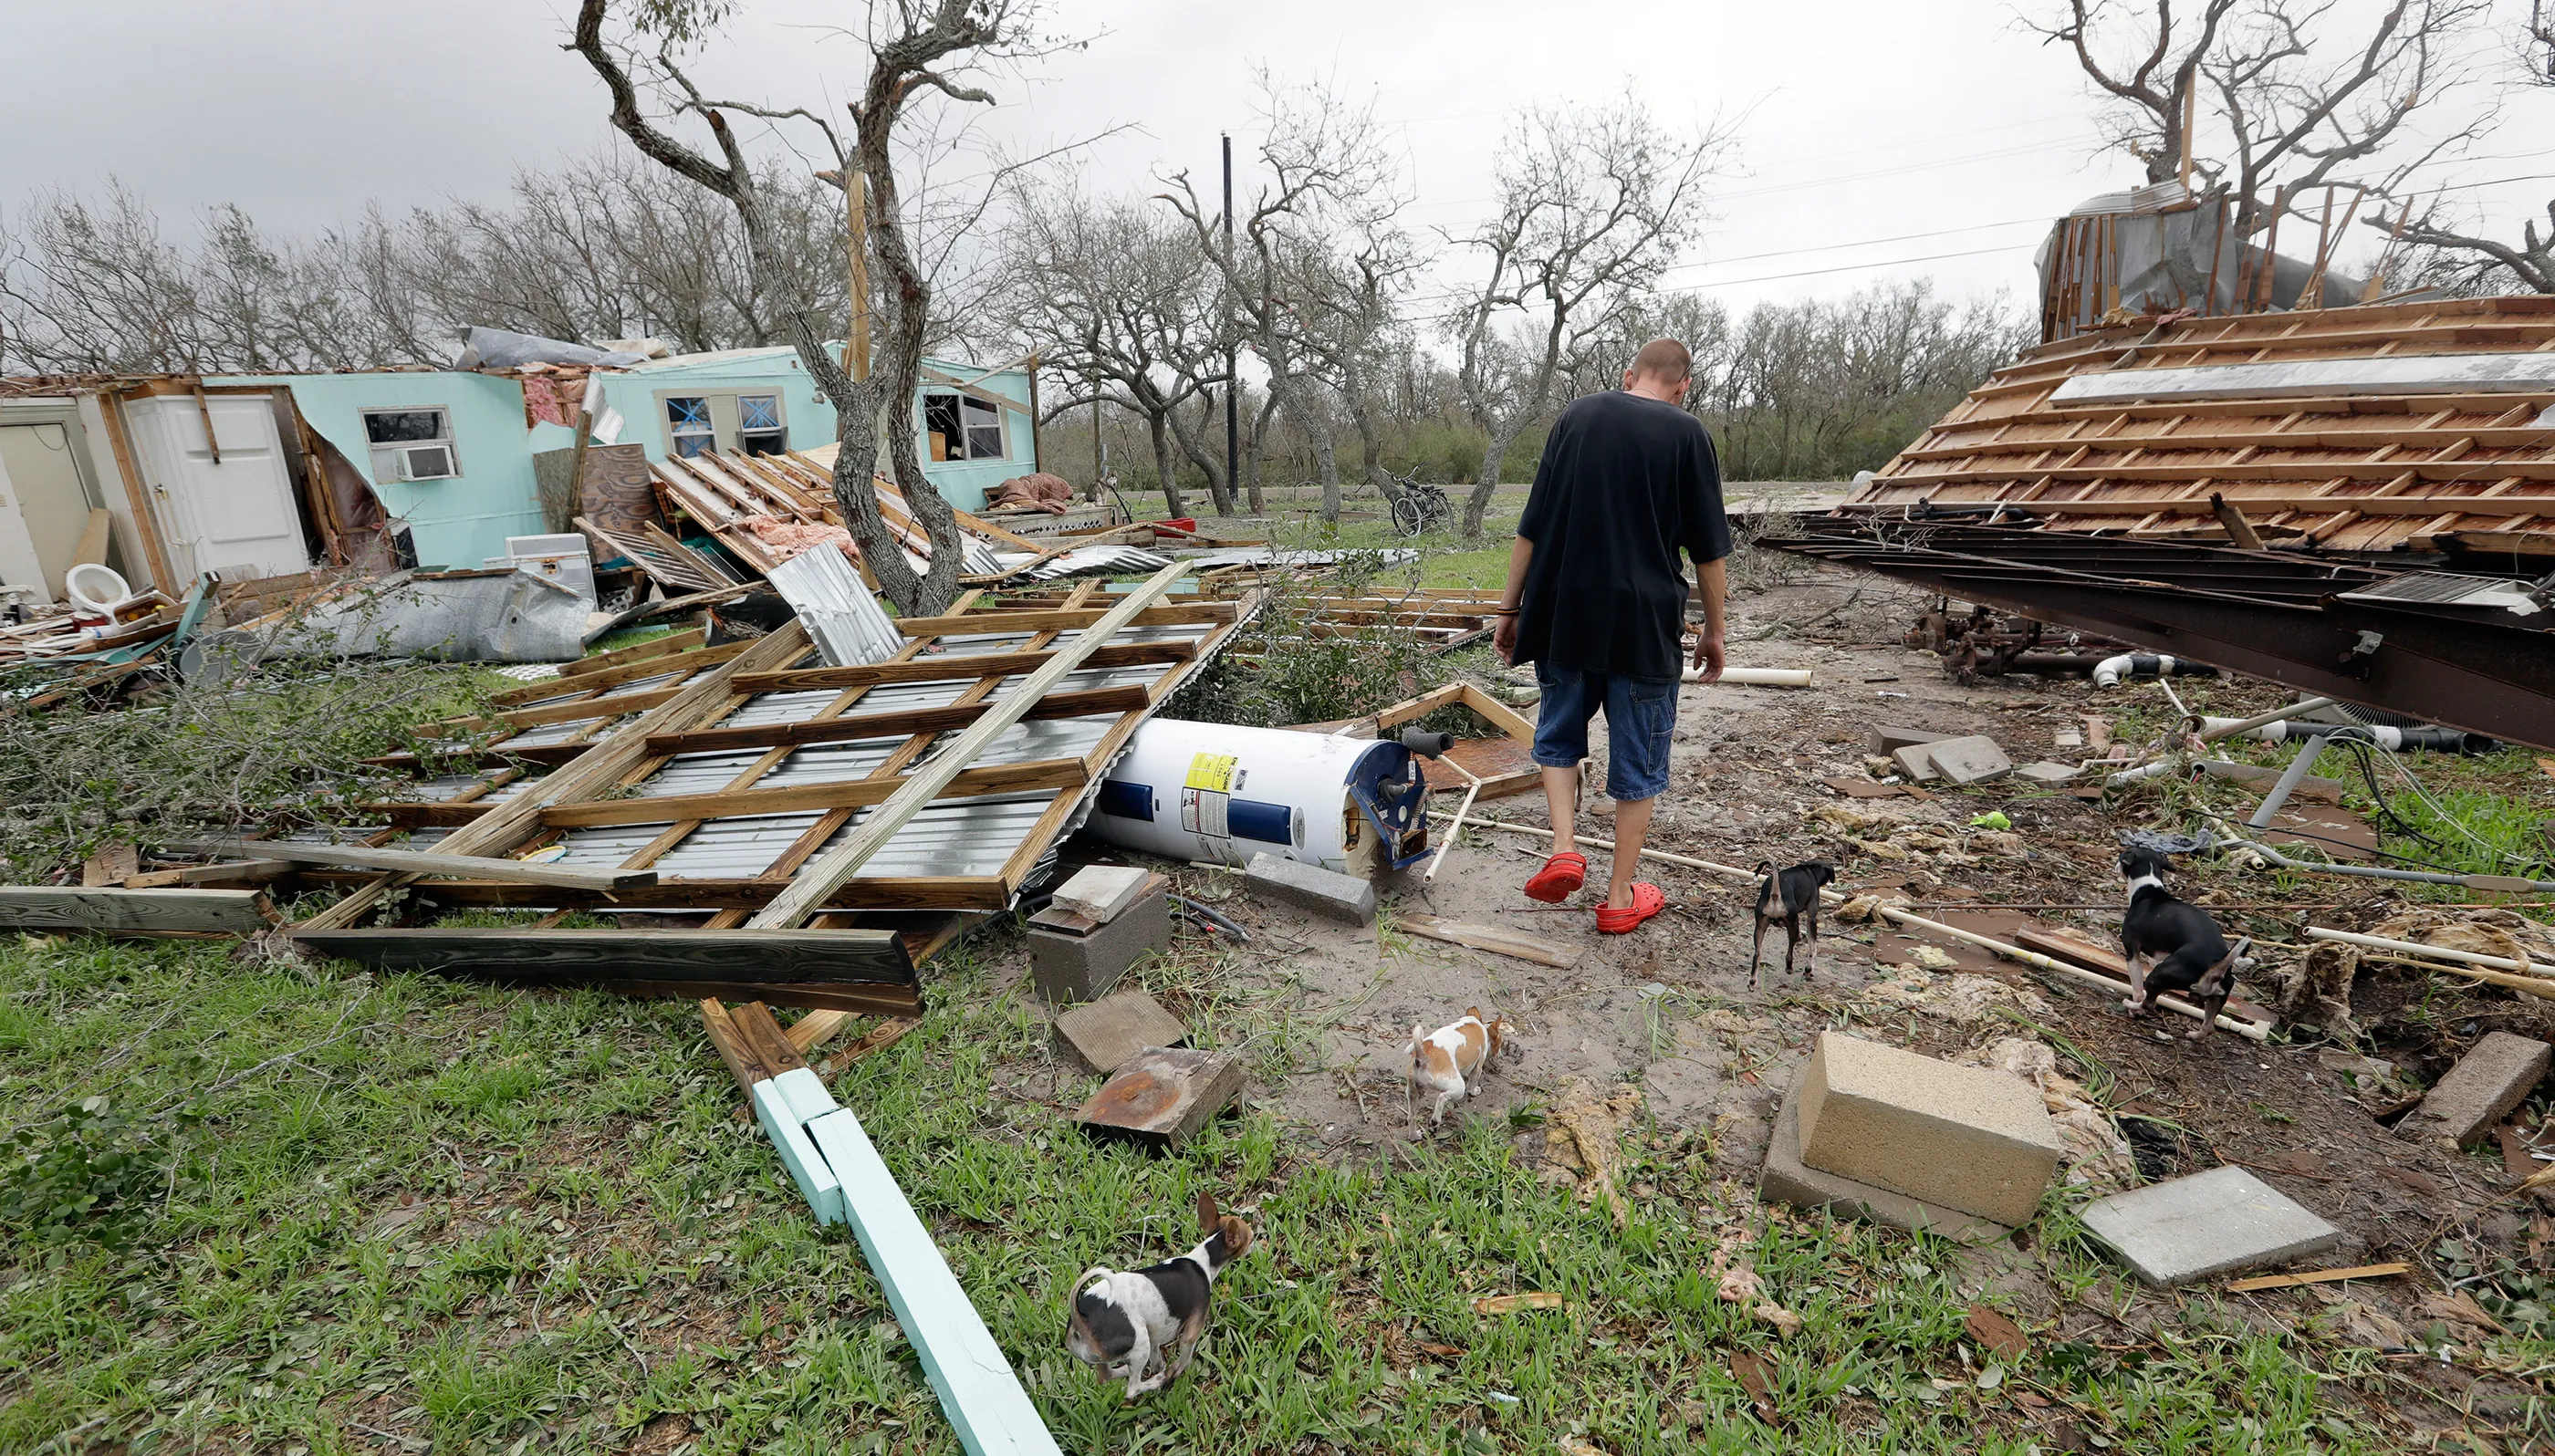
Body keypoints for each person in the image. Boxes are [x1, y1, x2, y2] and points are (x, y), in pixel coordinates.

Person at [1489, 338, 1730, 933]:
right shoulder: (1688, 434)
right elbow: (1709, 553)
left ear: (1628, 376)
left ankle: (1565, 849)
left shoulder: (1577, 416)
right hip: (1644, 627)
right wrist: (1716, 632)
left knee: (1557, 736)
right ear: (1683, 385)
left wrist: (1510, 608)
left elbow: (1532, 529)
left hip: (1563, 612)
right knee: (1639, 764)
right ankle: (1620, 898)